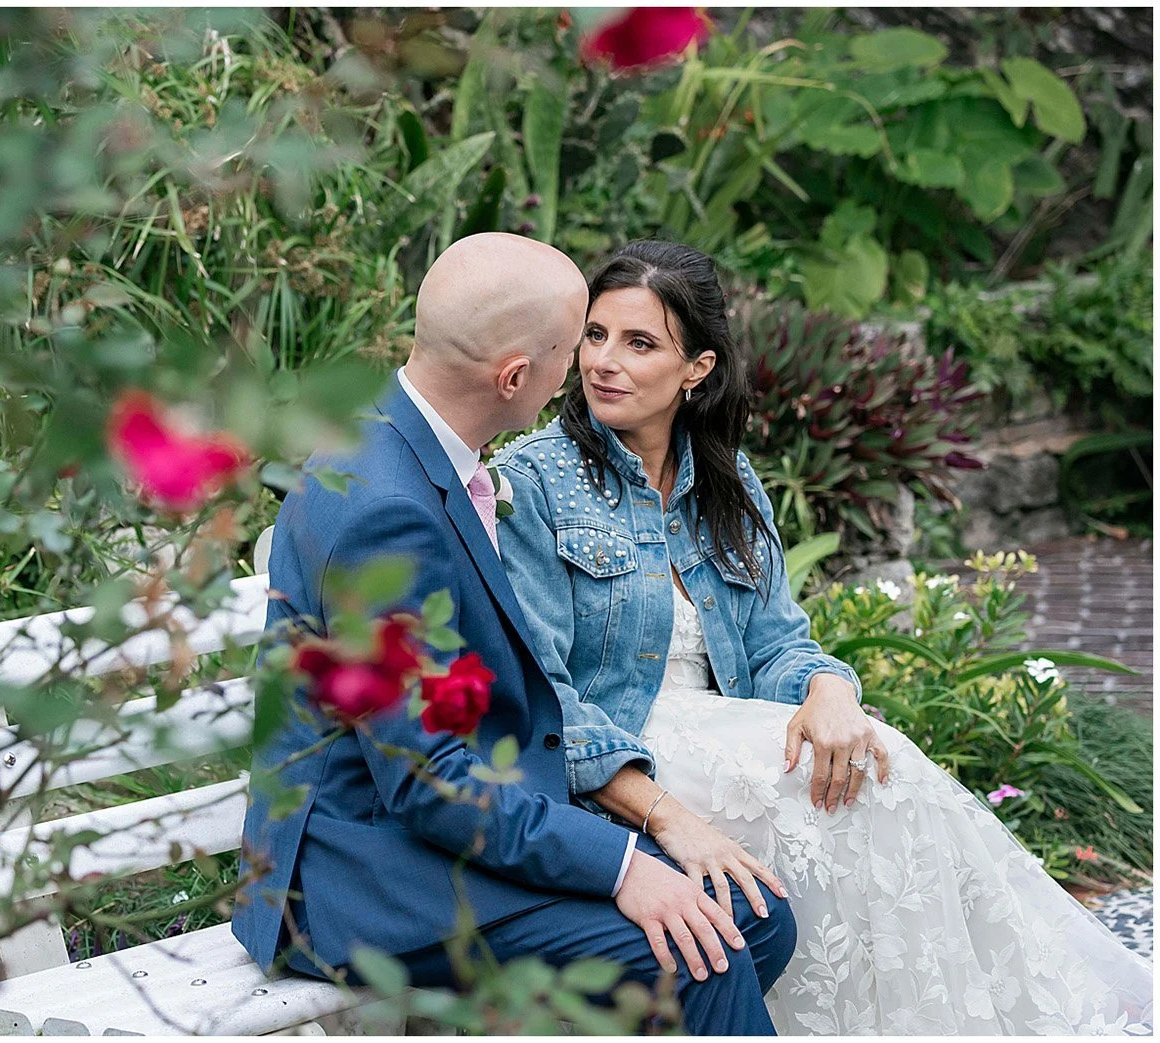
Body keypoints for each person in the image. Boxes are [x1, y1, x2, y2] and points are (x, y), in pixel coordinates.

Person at [495, 239, 1154, 1034]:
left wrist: (830, 689)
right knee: (841, 798)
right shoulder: (532, 482)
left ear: (696, 368)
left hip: (723, 728)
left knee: (881, 763)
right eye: (595, 335)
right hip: (624, 755)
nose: (605, 361)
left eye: (639, 343)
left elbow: (778, 645)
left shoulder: (729, 486)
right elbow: (546, 697)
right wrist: (663, 810)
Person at [234, 232, 796, 1034]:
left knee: (755, 918)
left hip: (440, 827)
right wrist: (622, 864)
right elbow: (428, 781)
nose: (587, 370)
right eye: (575, 347)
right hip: (364, 877)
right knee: (695, 951)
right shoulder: (383, 510)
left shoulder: (413, 450)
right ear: (514, 376)